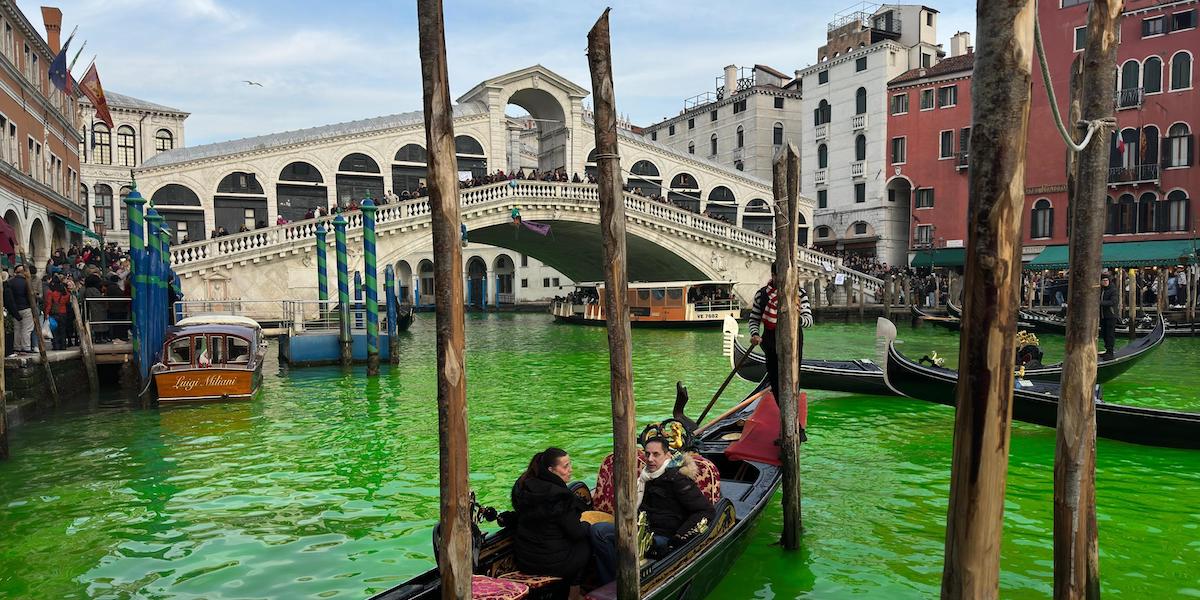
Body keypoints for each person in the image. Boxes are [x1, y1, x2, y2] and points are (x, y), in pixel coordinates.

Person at [591, 436, 713, 585]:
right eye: (647, 454)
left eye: (656, 454)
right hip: (639, 529)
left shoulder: (678, 480)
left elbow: (705, 511)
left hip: (663, 537)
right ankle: (612, 582)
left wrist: (678, 538)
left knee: (633, 542)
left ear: (667, 455)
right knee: (598, 531)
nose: (650, 459)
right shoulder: (644, 478)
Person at [510, 448, 591, 587]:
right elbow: (576, 533)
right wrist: (588, 525)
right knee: (586, 545)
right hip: (552, 564)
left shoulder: (523, 487)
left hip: (524, 560)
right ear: (551, 470)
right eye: (566, 466)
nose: (570, 470)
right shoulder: (560, 496)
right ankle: (575, 592)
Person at [748, 262, 813, 401]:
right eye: (782, 276)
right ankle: (785, 416)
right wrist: (755, 334)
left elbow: (809, 320)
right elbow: (754, 319)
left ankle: (792, 418)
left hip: (793, 341)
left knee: (793, 379)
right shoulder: (761, 295)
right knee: (776, 382)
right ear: (773, 275)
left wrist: (796, 318)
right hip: (770, 342)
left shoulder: (799, 294)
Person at [8, 264, 32, 353]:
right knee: (26, 329)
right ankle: (26, 347)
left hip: (15, 309)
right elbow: (30, 296)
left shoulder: (10, 282)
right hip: (25, 308)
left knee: (17, 329)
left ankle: (17, 347)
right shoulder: (26, 282)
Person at [1099, 273, 1118, 359]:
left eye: (1106, 280)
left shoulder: (1113, 290)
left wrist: (1099, 303)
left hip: (1111, 315)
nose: (1105, 282)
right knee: (1104, 334)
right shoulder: (1101, 290)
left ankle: (1110, 353)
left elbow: (1113, 302)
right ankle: (1107, 350)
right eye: (1103, 280)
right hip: (1103, 316)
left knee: (1110, 334)